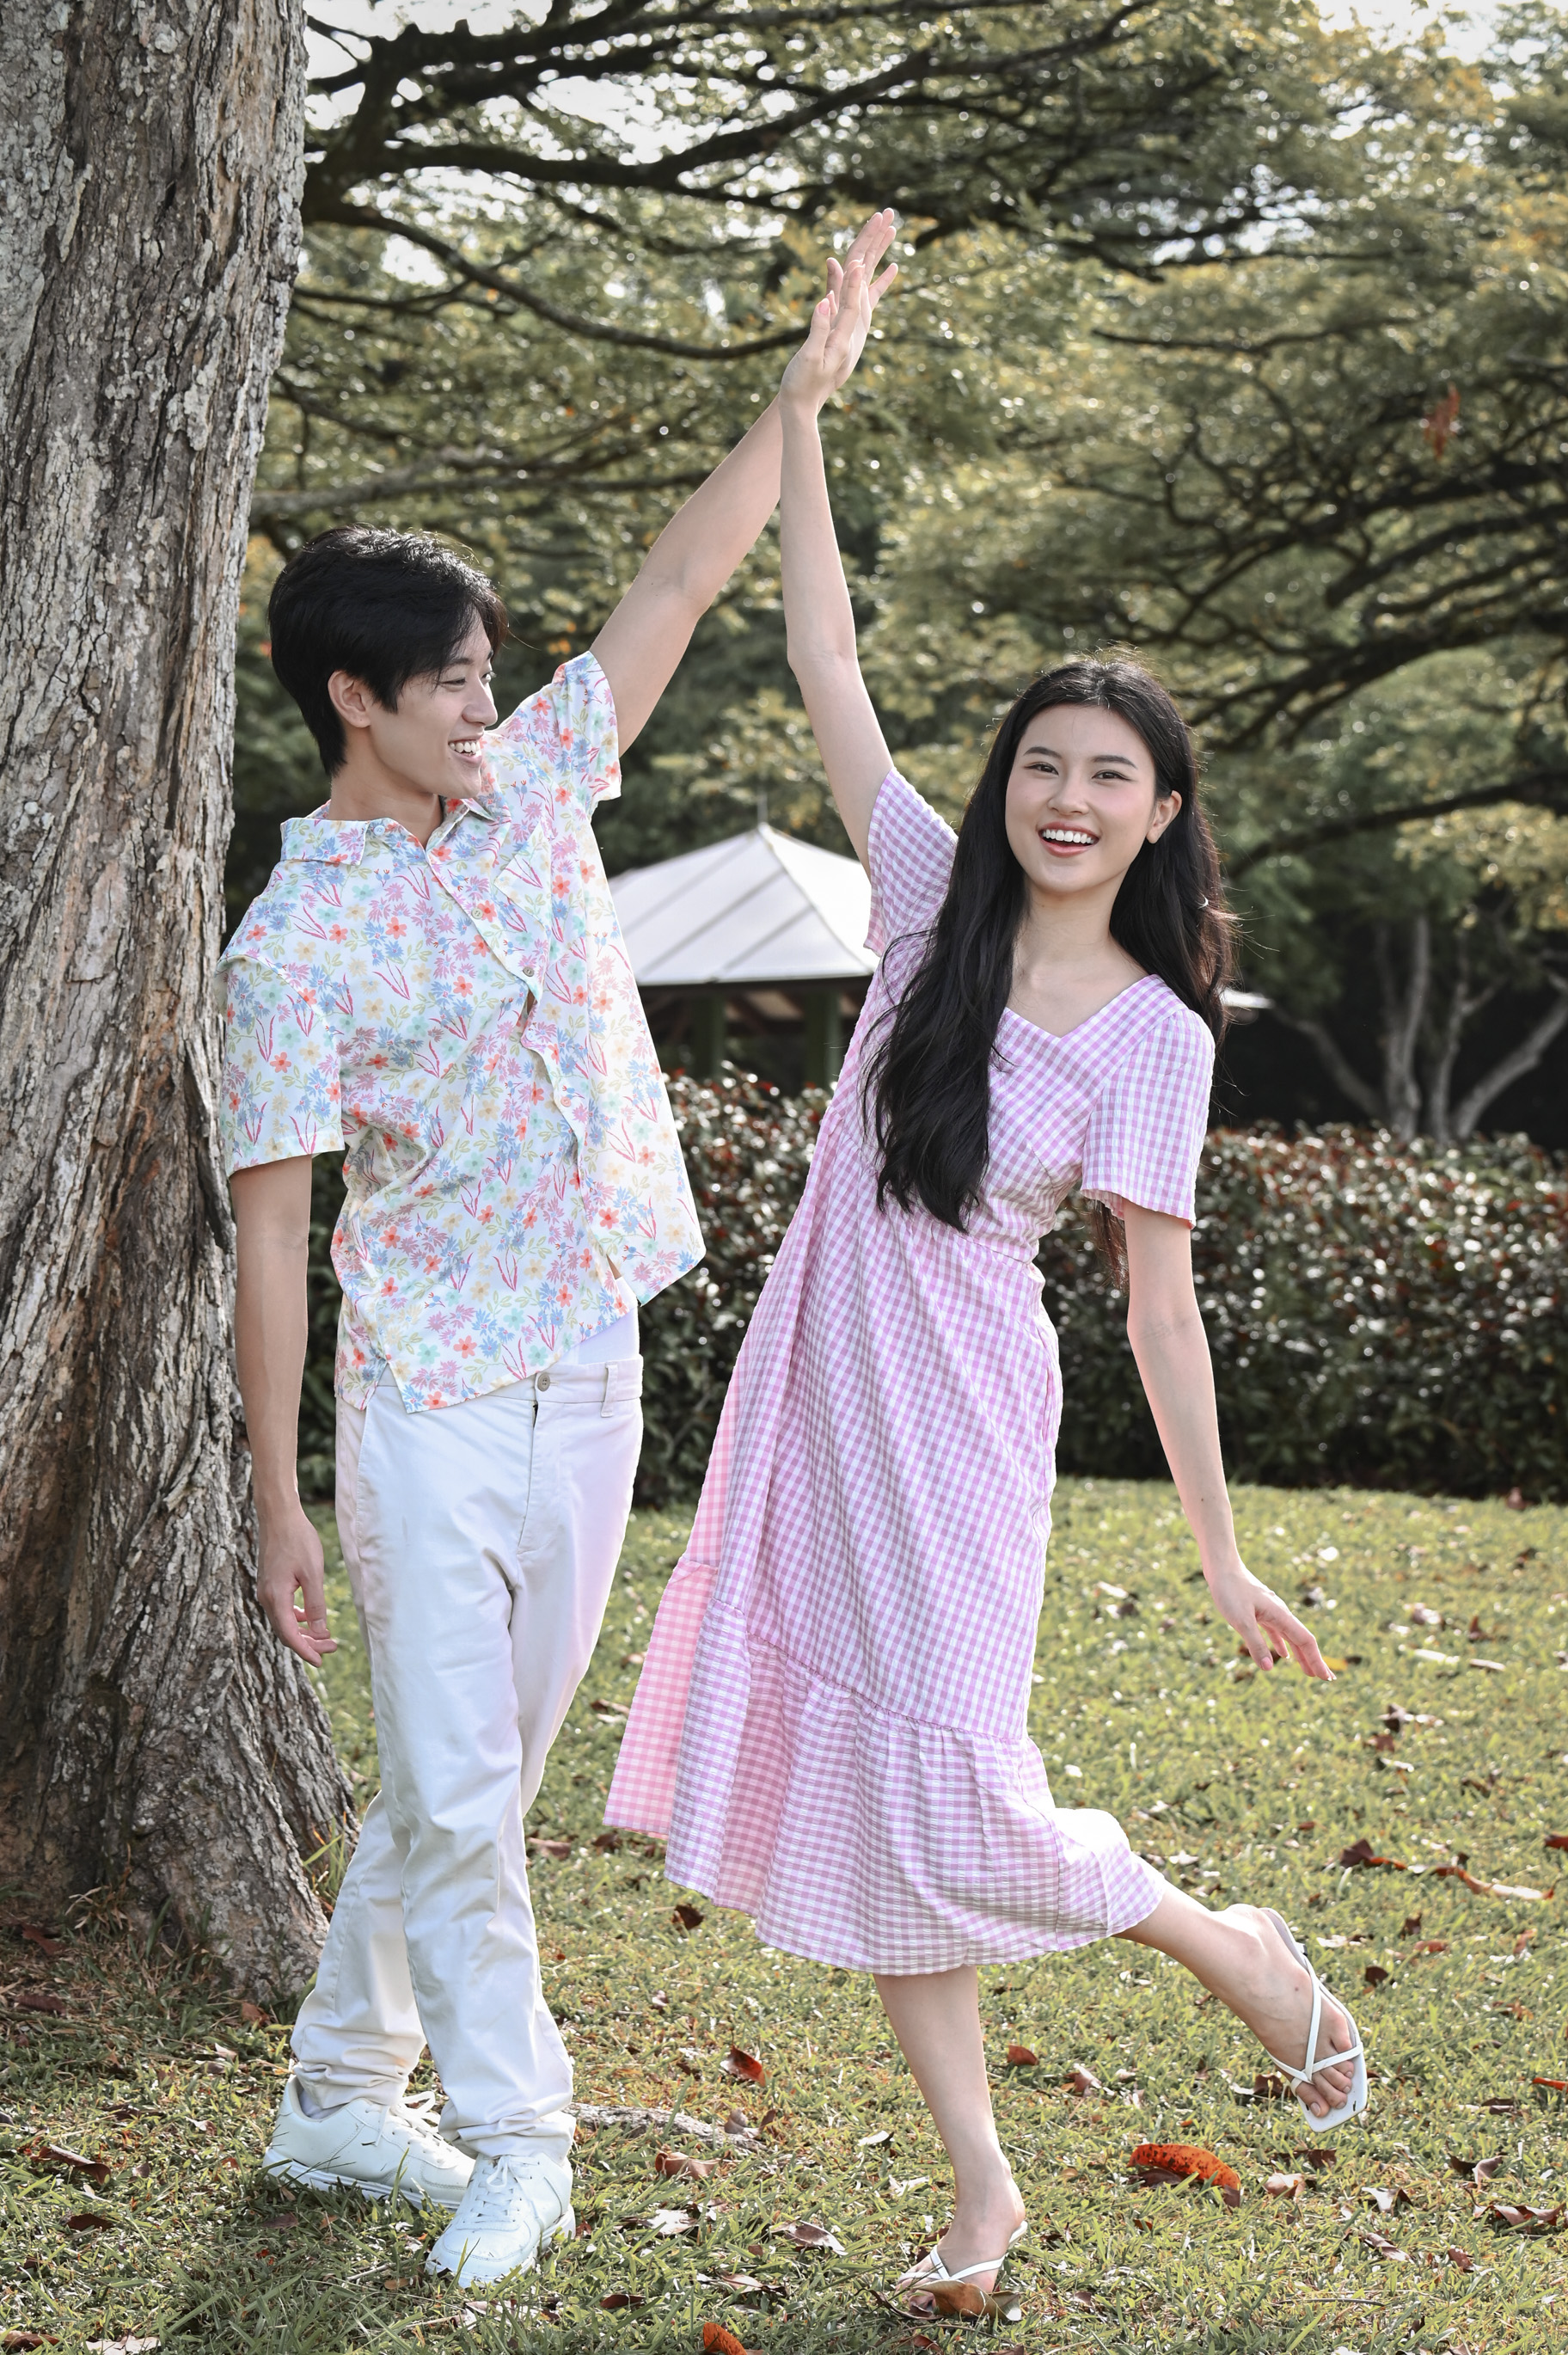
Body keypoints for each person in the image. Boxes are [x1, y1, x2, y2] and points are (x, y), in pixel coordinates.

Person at [605, 250, 1367, 2316]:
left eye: (1109, 774)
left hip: (959, 1422)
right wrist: (805, 405)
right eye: (1044, 761)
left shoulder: (1157, 1036)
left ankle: (1231, 1946)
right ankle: (981, 2190)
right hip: (820, 1400)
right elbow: (821, 652)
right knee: (887, 1814)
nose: (1066, 797)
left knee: (956, 1794)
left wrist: (1220, 1548)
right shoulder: (928, 899)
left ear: (1161, 811)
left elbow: (1158, 1305)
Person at [217, 211, 898, 2291]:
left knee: (478, 1777)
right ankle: (523, 2136)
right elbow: (274, 1226)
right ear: (355, 700)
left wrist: (798, 396)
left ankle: (337, 2091)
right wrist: (280, 1493)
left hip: (591, 1354)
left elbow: (680, 581)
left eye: (490, 673)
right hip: (424, 1389)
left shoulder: (527, 792)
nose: (485, 704)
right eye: (449, 681)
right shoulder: (290, 943)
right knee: (453, 1781)